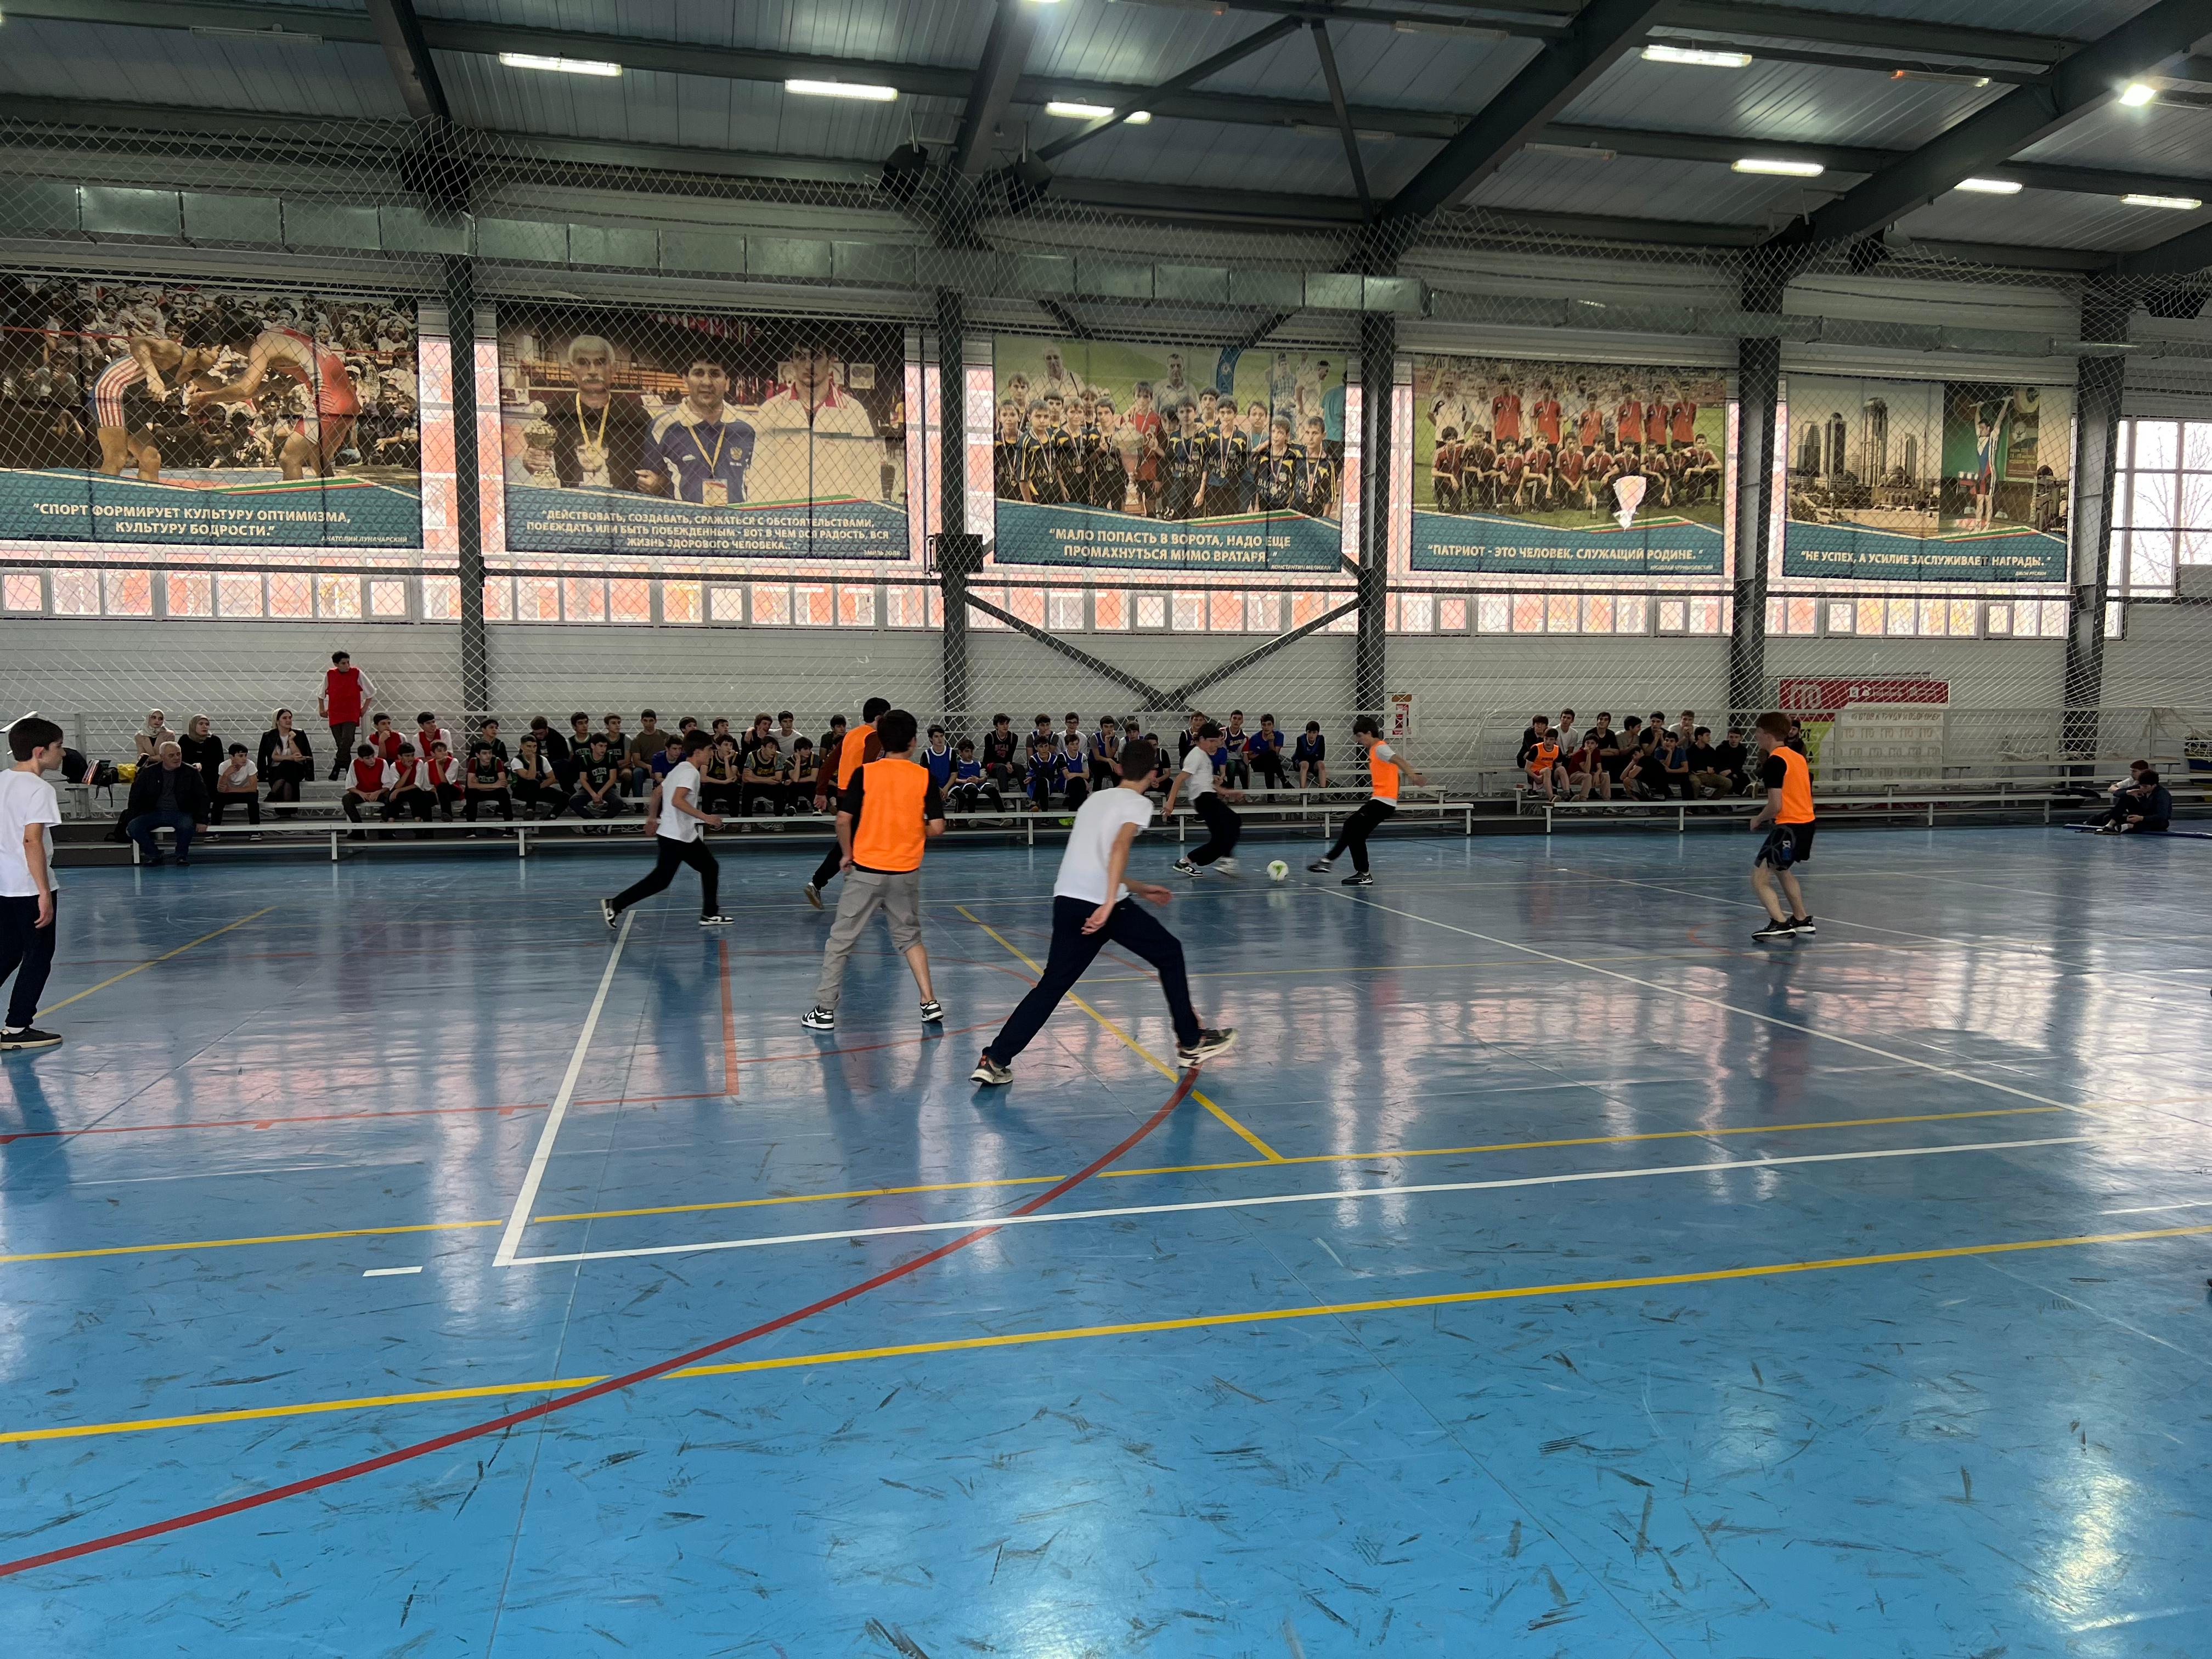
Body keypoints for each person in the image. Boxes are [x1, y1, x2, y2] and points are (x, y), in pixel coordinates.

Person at [969, 739, 1236, 1087]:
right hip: (1104, 905)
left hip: (1068, 899)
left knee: (1052, 984)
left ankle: (994, 1059)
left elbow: (1095, 859)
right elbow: (1119, 846)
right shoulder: (1139, 803)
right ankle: (1190, 1043)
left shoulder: (1095, 800)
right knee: (1170, 953)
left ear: (1119, 768)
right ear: (1154, 774)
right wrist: (1110, 903)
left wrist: (1140, 888)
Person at [801, 709, 947, 1031]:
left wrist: (847, 854)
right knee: (910, 937)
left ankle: (824, 1011)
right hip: (906, 872)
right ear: (914, 742)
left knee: (841, 940)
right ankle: (929, 1002)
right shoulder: (924, 777)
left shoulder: (865, 774)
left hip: (866, 871)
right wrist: (911, 832)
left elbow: (843, 820)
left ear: (881, 741)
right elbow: (937, 827)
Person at [602, 732, 731, 930]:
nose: (711, 754)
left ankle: (710, 914)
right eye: (709, 750)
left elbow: (657, 793)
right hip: (676, 836)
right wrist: (706, 817)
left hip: (681, 835)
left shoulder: (680, 768)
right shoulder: (690, 773)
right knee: (661, 880)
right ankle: (614, 905)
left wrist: (652, 818)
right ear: (698, 751)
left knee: (708, 868)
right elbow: (677, 800)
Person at [1, 716, 67, 1052]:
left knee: (9, 951)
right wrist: (44, 892)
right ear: (40, 751)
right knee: (39, 955)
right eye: (59, 747)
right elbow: (32, 841)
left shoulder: (1, 781)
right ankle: (16, 1027)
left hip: (3, 884)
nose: (63, 753)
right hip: (28, 885)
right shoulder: (39, 789)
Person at [1309, 716, 1425, 887]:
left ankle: (1328, 861)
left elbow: (1399, 760)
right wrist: (1394, 794)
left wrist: (1413, 775)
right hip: (1384, 802)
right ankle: (1363, 874)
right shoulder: (1376, 751)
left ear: (1369, 733)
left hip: (1382, 803)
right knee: (1357, 836)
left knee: (1350, 825)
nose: (1359, 741)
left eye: (1360, 736)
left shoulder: (1380, 748)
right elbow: (1396, 774)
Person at [806, 697, 888, 908]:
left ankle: (819, 883)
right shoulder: (874, 736)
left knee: (850, 844)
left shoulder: (852, 735)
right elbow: (868, 768)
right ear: (880, 717)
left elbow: (828, 764)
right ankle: (824, 883)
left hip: (845, 796)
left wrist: (821, 792)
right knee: (865, 844)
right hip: (862, 796)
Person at [1748, 710, 1818, 941]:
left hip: (1789, 827)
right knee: (1781, 869)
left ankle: (1779, 923)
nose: (1756, 737)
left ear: (1765, 733)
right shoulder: (1798, 758)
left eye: (1757, 732)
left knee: (1759, 877)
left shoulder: (1775, 762)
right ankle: (1801, 919)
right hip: (1807, 825)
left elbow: (1776, 805)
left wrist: (1758, 818)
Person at [1166, 720, 1244, 878]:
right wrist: (1170, 803)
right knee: (1234, 821)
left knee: (1219, 838)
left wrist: (1229, 792)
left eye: (1217, 741)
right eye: (1212, 741)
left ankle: (1185, 862)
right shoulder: (1196, 755)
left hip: (1207, 797)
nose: (1215, 745)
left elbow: (1208, 784)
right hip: (1203, 799)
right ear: (1202, 739)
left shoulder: (1203, 756)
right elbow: (1179, 779)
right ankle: (1227, 860)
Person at [125, 740, 208, 866]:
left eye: (179, 754)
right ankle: (154, 855)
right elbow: (135, 796)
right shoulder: (148, 772)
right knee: (134, 827)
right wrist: (133, 816)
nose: (177, 758)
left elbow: (203, 797)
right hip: (154, 812)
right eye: (171, 755)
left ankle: (181, 856)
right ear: (162, 757)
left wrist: (202, 820)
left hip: (181, 812)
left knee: (186, 825)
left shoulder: (191, 772)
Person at [319, 650, 375, 778]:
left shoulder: (356, 673)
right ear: (336, 664)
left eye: (348, 662)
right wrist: (322, 709)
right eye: (344, 663)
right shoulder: (330, 674)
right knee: (341, 744)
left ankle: (337, 766)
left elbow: (371, 691)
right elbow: (321, 693)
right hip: (335, 712)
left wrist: (364, 708)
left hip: (351, 712)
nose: (347, 665)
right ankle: (350, 772)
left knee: (347, 739)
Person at [257, 708, 311, 816]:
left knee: (288, 765)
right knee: (287, 780)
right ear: (277, 721)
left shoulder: (299, 734)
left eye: (290, 718)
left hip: (296, 769)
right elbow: (264, 757)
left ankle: (273, 794)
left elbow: (299, 756)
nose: (289, 720)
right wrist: (262, 775)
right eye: (285, 718)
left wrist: (291, 741)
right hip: (276, 770)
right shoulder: (269, 736)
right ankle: (287, 813)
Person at [571, 735, 624, 821]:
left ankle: (601, 823)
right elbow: (583, 780)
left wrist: (601, 793)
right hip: (590, 787)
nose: (603, 749)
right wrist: (593, 794)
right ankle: (593, 822)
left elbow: (612, 778)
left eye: (605, 746)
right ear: (593, 746)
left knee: (618, 802)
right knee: (573, 801)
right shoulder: (585, 759)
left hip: (607, 788)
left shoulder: (610, 757)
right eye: (601, 746)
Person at [208, 742, 261, 826]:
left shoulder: (250, 765)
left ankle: (255, 829)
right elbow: (220, 789)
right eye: (241, 756)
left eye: (245, 755)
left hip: (245, 793)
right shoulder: (224, 766)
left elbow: (253, 788)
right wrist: (226, 774)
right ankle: (215, 829)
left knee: (253, 800)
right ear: (232, 757)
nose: (244, 759)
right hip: (230, 794)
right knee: (218, 800)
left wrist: (230, 790)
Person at [462, 742, 515, 825]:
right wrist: (494, 785)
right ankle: (471, 827)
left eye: (490, 753)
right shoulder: (474, 762)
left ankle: (509, 826)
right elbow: (471, 785)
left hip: (492, 792)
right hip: (479, 792)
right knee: (471, 793)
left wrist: (479, 786)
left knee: (504, 793)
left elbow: (503, 784)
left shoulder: (496, 761)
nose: (488, 756)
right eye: (484, 753)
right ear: (478, 755)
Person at [509, 736, 561, 819]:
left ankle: (550, 817)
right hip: (521, 790)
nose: (532, 749)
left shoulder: (542, 759)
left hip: (538, 789)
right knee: (533, 782)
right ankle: (530, 810)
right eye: (529, 746)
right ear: (522, 747)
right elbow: (530, 777)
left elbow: (552, 778)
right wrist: (533, 759)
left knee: (566, 797)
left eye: (535, 746)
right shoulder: (517, 760)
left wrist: (538, 788)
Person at [179, 714, 224, 799]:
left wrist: (202, 766)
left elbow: (219, 762)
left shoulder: (214, 740)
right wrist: (192, 767)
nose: (205, 727)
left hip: (210, 778)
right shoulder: (185, 739)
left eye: (207, 724)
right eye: (201, 724)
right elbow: (180, 760)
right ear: (193, 725)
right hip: (189, 776)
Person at [741, 737, 786, 817]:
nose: (774, 751)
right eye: (771, 748)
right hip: (756, 785)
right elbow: (745, 778)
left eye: (775, 748)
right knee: (747, 788)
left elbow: (778, 778)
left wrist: (754, 776)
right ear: (763, 747)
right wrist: (767, 780)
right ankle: (746, 819)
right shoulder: (752, 756)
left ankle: (778, 818)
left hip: (770, 786)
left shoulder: (779, 756)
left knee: (780, 788)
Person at [1247, 714, 1284, 792]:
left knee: (1269, 763)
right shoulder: (1255, 738)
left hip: (1272, 764)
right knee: (1269, 756)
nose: (1266, 727)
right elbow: (1249, 756)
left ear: (1273, 726)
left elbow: (1276, 754)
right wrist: (1263, 755)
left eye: (1269, 724)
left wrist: (1271, 742)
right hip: (1258, 764)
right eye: (1264, 725)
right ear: (1261, 726)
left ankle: (1270, 795)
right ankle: (1284, 781)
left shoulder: (1279, 735)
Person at [1292, 720, 1327, 789]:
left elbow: (1321, 757)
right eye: (1309, 732)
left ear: (1318, 733)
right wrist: (1313, 756)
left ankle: (1323, 791)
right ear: (1306, 732)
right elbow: (1301, 756)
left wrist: (1312, 759)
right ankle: (1302, 792)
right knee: (1305, 764)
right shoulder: (1301, 739)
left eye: (1314, 733)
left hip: (1313, 762)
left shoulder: (1321, 739)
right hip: (1300, 761)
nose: (1312, 735)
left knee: (1321, 764)